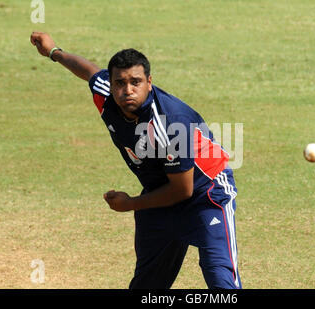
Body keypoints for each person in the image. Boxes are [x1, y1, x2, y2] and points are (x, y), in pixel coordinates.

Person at [30, 32, 241, 289]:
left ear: (149, 82)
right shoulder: (106, 93)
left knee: (220, 280)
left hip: (205, 193)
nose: (127, 90)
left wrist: (131, 203)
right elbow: (89, 71)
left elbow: (182, 189)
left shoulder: (171, 122)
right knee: (147, 285)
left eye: (136, 82)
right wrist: (54, 52)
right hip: (159, 192)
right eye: (119, 82)